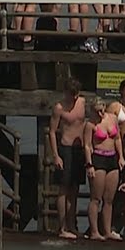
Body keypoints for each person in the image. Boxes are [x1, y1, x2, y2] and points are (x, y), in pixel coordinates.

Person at [48, 78, 86, 239]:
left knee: (75, 188)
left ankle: (72, 225)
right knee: (63, 188)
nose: (74, 98)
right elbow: (52, 132)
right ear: (66, 93)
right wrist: (56, 155)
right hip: (65, 147)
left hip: (79, 149)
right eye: (71, 95)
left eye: (76, 95)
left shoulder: (82, 102)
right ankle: (62, 227)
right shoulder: (59, 107)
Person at [83, 98, 124, 241]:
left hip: (112, 158)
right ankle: (94, 231)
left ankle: (107, 231)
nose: (100, 114)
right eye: (96, 112)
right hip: (98, 158)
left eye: (101, 111)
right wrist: (89, 164)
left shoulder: (113, 118)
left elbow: (117, 139)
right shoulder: (90, 125)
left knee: (109, 199)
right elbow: (87, 145)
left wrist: (121, 157)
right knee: (96, 198)